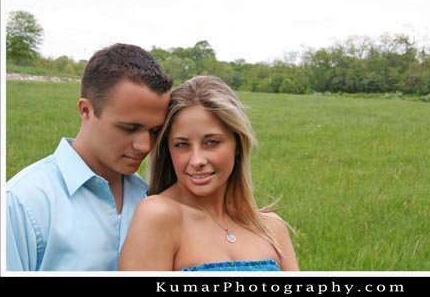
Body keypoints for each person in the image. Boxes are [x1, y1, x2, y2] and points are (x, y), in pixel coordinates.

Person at [6, 43, 174, 271]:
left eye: (155, 131)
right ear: (86, 110)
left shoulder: (149, 197)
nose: (145, 145)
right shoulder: (23, 203)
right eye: (129, 128)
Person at [118, 75, 299, 271]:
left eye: (211, 142)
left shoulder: (272, 228)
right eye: (182, 145)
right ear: (168, 150)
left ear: (237, 143)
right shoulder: (158, 216)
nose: (197, 161)